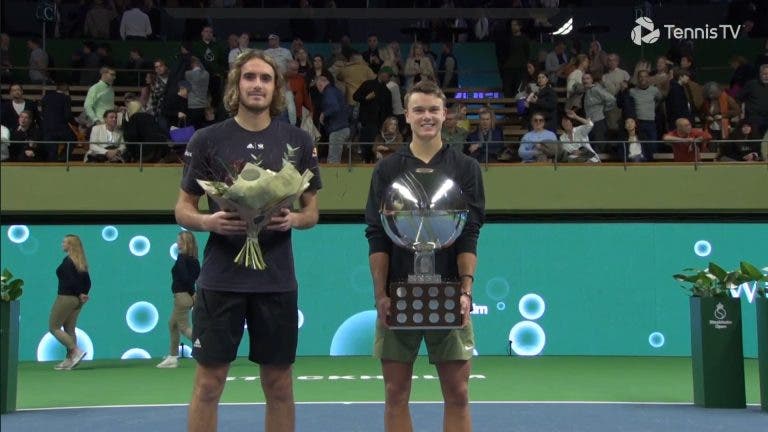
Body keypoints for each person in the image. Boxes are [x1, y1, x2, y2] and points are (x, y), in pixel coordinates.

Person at [175, 50, 322, 432]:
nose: (257, 85)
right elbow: (183, 210)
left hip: (276, 281)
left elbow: (312, 214)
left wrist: (293, 218)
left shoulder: (297, 140)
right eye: (249, 77)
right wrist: (209, 221)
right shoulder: (208, 140)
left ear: (276, 88)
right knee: (209, 383)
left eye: (265, 79)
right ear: (236, 85)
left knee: (279, 384)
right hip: (221, 280)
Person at [365, 80, 485, 432]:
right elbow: (377, 236)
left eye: (433, 109)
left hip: (449, 294)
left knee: (458, 393)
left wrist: (465, 291)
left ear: (445, 114)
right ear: (407, 115)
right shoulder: (386, 170)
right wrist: (381, 296)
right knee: (395, 393)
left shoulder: (466, 169)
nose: (427, 116)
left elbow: (469, 234)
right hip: (398, 295)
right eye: (419, 109)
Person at [157, 231, 201, 369]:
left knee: (183, 327)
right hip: (186, 297)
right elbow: (195, 278)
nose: (177, 243)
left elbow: (185, 278)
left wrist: (191, 292)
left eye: (179, 241)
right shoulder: (194, 260)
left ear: (185, 242)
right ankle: (172, 356)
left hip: (182, 296)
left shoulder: (182, 258)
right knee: (173, 324)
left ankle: (205, 346)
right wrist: (193, 293)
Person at [49, 234, 91, 371]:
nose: (62, 244)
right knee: (69, 329)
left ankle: (75, 351)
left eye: (64, 242)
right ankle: (69, 359)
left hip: (65, 298)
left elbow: (70, 281)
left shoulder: (67, 262)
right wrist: (83, 294)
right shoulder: (80, 262)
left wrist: (79, 293)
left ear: (71, 245)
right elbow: (88, 282)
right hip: (77, 300)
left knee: (54, 327)